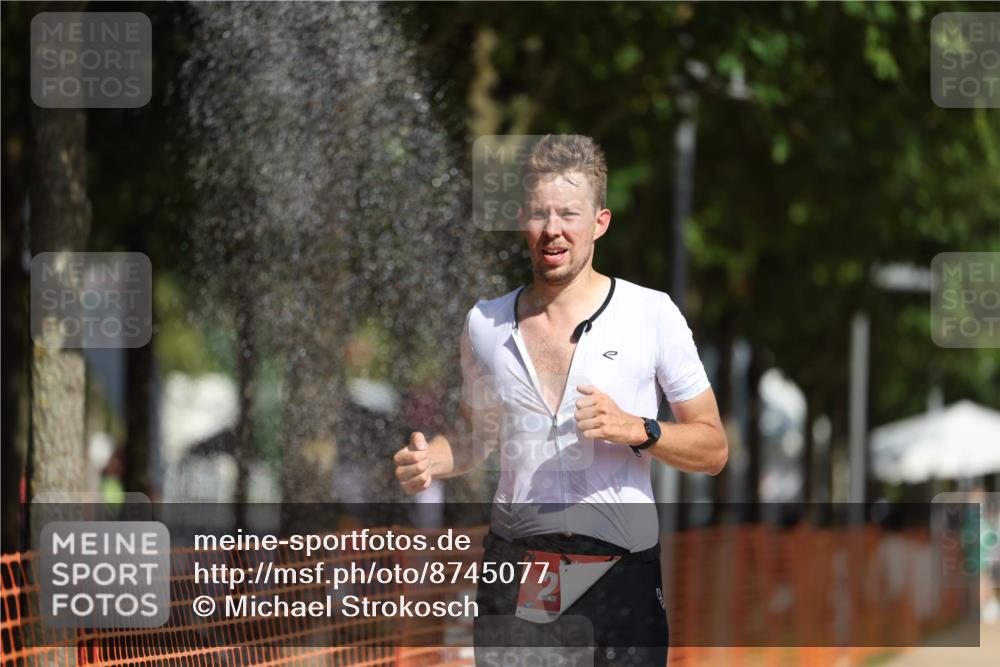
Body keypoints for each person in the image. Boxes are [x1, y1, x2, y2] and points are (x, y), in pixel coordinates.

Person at [393, 134, 727, 666]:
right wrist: (432, 459)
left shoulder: (651, 315)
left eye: (569, 214)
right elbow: (475, 437)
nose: (553, 229)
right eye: (539, 214)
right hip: (521, 569)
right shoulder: (484, 324)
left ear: (600, 222)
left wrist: (637, 427)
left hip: (621, 572)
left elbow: (713, 449)